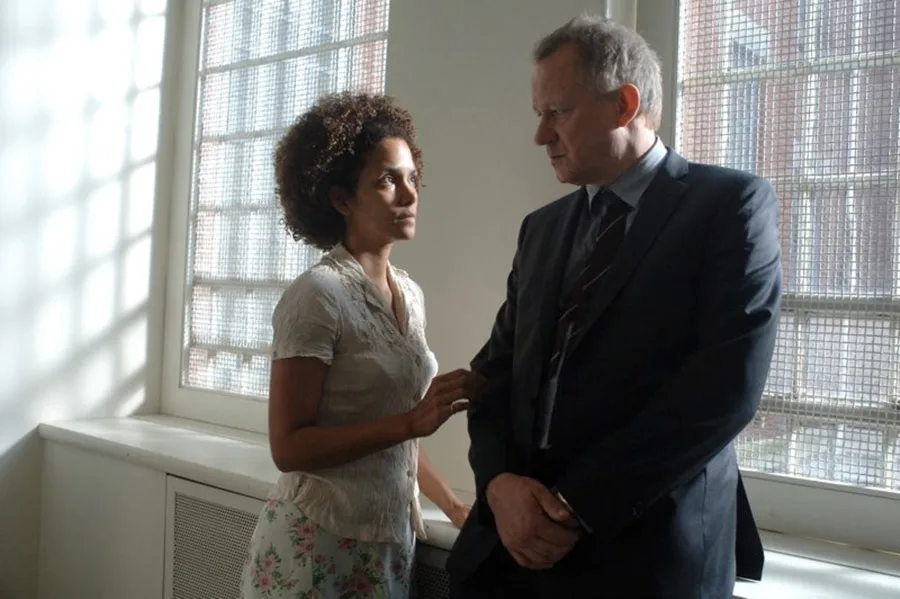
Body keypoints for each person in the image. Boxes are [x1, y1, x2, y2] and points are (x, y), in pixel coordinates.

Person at [447, 14, 782, 599]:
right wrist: (498, 483)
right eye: (538, 114)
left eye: (558, 113)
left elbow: (724, 387)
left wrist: (574, 506)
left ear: (624, 105)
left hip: (645, 557)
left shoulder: (729, 206)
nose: (541, 136)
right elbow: (494, 373)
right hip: (514, 554)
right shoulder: (542, 229)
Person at [239, 92, 478, 599]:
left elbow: (400, 440)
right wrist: (411, 422)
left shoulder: (410, 295)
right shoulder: (317, 295)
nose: (409, 194)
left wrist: (455, 506)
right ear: (341, 199)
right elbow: (288, 447)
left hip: (387, 545)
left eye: (413, 178)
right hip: (315, 546)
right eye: (388, 180)